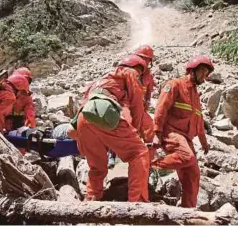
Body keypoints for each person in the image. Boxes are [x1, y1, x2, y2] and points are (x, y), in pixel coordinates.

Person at [76, 54, 150, 202]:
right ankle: (137, 202)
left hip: (84, 117)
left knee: (97, 167)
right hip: (104, 114)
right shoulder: (131, 72)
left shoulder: (102, 79)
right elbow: (137, 104)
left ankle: (92, 199)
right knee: (139, 153)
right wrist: (137, 132)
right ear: (139, 68)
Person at [151, 55, 213, 208]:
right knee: (187, 156)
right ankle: (148, 166)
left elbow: (198, 122)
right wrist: (157, 133)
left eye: (207, 73)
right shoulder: (175, 85)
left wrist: (204, 144)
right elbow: (161, 109)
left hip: (186, 139)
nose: (205, 77)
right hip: (171, 134)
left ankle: (188, 212)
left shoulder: (195, 96)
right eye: (203, 71)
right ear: (193, 70)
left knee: (193, 175)